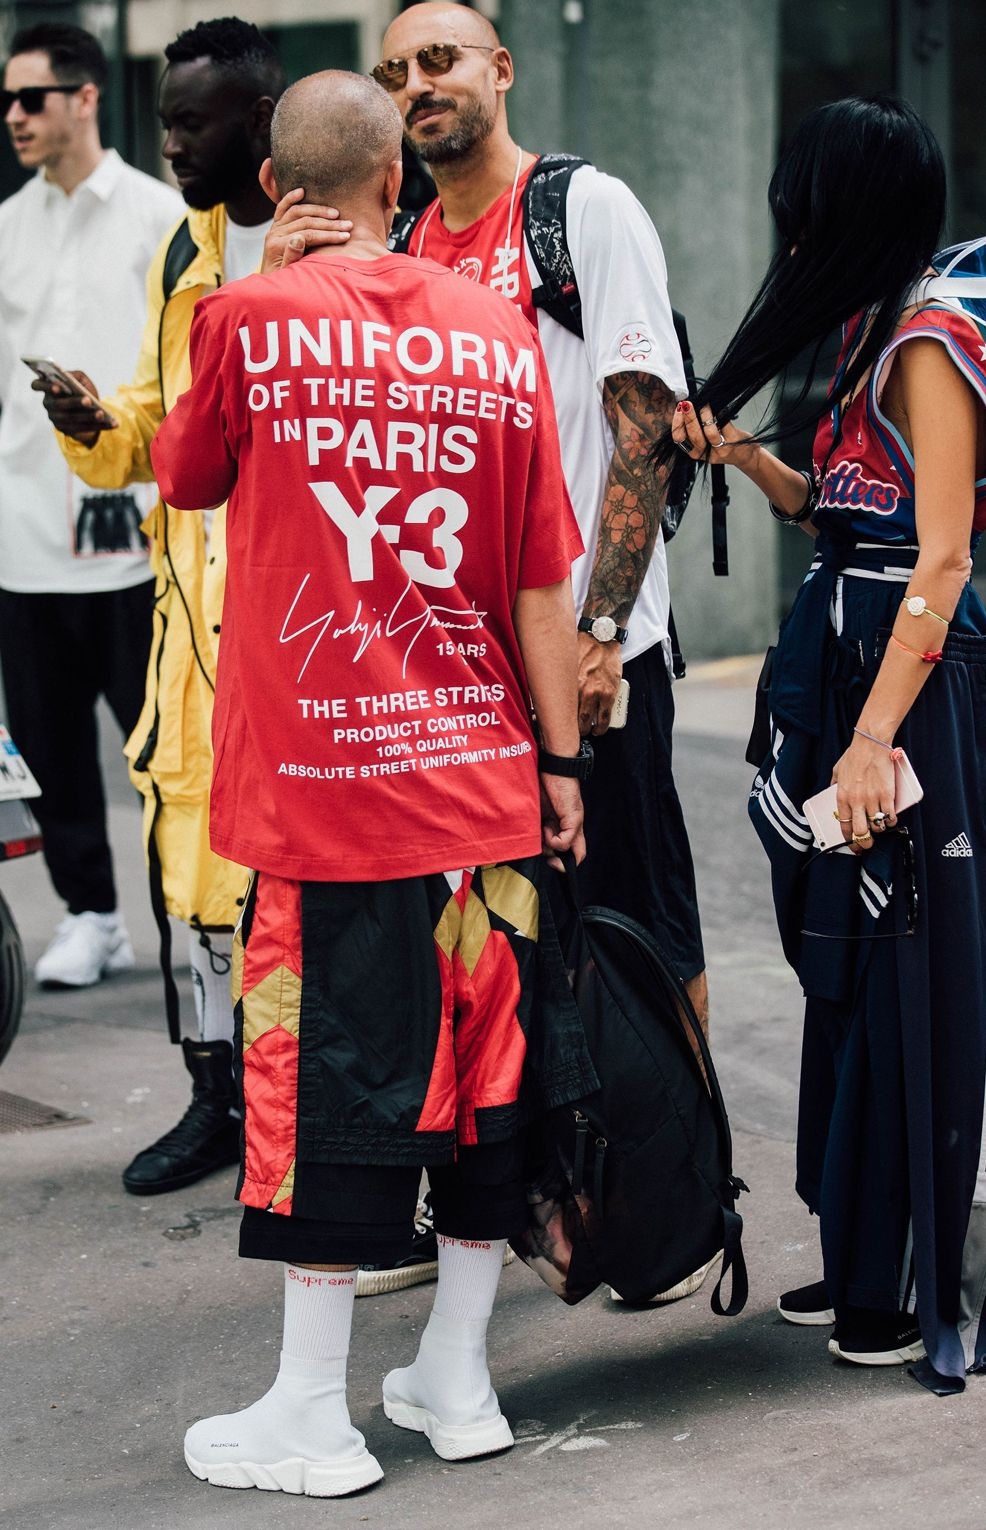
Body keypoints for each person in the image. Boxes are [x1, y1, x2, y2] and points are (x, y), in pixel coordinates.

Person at [150, 67, 585, 1498]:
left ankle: (311, 1415)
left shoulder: (246, 317)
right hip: (479, 782)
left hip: (329, 793)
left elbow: (187, 476)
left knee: (326, 1086)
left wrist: (246, 305)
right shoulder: (493, 327)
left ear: (277, 193)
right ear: (398, 185)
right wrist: (562, 759)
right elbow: (539, 572)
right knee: (480, 1081)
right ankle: (456, 1381)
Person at [267, 0, 712, 1305]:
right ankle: (521, 1196)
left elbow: (647, 428)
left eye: (442, 58)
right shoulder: (403, 239)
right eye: (397, 70)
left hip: (589, 649)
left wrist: (599, 630)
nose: (421, 83)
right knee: (478, 946)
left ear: (502, 71)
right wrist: (289, 283)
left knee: (636, 918)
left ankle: (678, 1191)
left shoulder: (586, 213)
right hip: (452, 676)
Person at [670, 95, 986, 1393]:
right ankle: (871, 1250)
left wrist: (872, 741)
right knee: (855, 974)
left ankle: (923, 1271)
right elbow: (848, 513)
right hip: (858, 669)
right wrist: (748, 462)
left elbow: (942, 553)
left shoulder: (930, 335)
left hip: (915, 692)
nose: (787, 220)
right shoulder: (884, 323)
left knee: (911, 975)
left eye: (800, 194)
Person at [39, 19, 286, 1198]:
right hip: (190, 627)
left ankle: (301, 1113)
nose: (174, 144)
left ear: (262, 123)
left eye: (196, 123)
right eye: (168, 121)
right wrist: (100, 424)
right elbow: (162, 418)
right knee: (185, 864)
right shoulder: (186, 259)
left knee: (295, 885)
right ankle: (213, 1098)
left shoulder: (321, 246)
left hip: (300, 624)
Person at [0, 24, 181, 988]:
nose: (15, 116)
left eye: (33, 97)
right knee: (50, 746)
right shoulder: (4, 228)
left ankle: (181, 916)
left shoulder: (159, 217)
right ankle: (89, 915)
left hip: (134, 539)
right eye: (8, 101)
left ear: (85, 98)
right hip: (23, 536)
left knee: (157, 748)